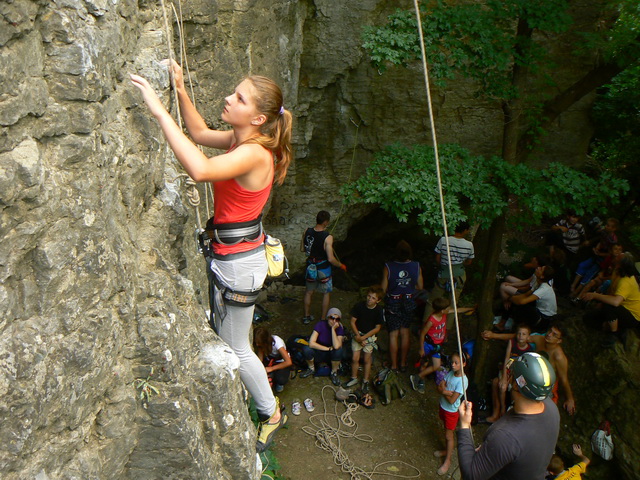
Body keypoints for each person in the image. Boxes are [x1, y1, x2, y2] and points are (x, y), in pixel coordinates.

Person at [130, 60, 293, 453]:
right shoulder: (243, 140)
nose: (227, 98)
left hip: (239, 264)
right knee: (230, 339)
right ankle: (266, 406)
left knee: (237, 348)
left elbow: (201, 170)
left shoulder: (255, 153)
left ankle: (270, 412)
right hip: (235, 257)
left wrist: (158, 109)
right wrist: (181, 91)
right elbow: (200, 133)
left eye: (238, 98)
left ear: (256, 117)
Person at [457, 352, 560, 480]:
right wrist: (494, 451)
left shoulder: (506, 437)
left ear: (516, 384)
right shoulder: (551, 408)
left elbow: (470, 475)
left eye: (511, 374)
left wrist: (464, 425)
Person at [482, 321, 576, 415]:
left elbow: (564, 379)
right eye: (550, 331)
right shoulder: (539, 339)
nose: (549, 335)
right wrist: (493, 335)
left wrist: (570, 399)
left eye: (554, 334)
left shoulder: (559, 357)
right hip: (530, 375)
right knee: (505, 384)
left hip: (544, 386)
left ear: (559, 340)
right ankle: (503, 412)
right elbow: (520, 338)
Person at [410, 297, 474, 393]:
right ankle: (420, 381)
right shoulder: (432, 320)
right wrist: (421, 348)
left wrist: (470, 308)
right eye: (447, 308)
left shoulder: (444, 313)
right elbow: (422, 334)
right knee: (424, 363)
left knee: (436, 365)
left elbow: (457, 310)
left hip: (437, 346)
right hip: (428, 345)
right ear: (442, 310)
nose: (449, 309)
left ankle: (417, 377)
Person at [381, 240, 424, 372]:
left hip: (393, 301)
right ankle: (403, 363)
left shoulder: (388, 266)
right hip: (409, 301)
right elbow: (421, 287)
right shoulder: (416, 266)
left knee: (393, 334)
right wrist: (409, 288)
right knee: (405, 332)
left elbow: (383, 288)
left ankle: (393, 365)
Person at [582, 252, 640, 345]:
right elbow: (612, 290)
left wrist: (595, 295)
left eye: (618, 257)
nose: (616, 256)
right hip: (620, 309)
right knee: (588, 318)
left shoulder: (626, 281)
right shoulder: (617, 271)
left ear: (621, 264)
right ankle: (617, 327)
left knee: (609, 305)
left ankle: (614, 334)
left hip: (632, 316)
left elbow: (616, 302)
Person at [301, 211, 347, 324]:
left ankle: (306, 316)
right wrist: (341, 265)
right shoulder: (328, 237)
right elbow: (331, 258)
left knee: (309, 292)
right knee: (326, 293)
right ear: (326, 222)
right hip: (323, 269)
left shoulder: (307, 231)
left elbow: (303, 249)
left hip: (310, 267)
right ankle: (322, 318)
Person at [426, 221, 475, 322]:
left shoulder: (443, 240)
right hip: (459, 273)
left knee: (432, 300)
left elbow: (438, 258)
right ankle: (447, 330)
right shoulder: (469, 245)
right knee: (453, 303)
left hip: (444, 271)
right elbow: (469, 261)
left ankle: (425, 324)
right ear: (465, 230)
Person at [486, 323, 534, 423]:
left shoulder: (529, 349)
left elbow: (526, 368)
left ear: (528, 337)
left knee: (516, 390)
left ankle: (509, 415)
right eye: (519, 333)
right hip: (508, 369)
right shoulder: (512, 343)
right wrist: (504, 377)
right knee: (500, 385)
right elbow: (507, 360)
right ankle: (500, 411)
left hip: (519, 374)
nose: (521, 336)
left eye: (524, 334)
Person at [343, 286, 385, 393]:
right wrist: (358, 336)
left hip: (368, 338)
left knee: (367, 359)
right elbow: (352, 321)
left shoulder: (379, 311)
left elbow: (377, 328)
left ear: (378, 301)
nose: (369, 299)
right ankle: (354, 378)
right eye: (368, 296)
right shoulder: (359, 306)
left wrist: (363, 338)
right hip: (358, 334)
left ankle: (365, 380)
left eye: (373, 298)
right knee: (355, 358)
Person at [435, 352, 469, 476]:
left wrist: (443, 391)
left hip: (451, 411)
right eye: (452, 362)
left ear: (463, 364)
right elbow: (439, 386)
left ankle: (448, 460)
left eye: (456, 363)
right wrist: (444, 391)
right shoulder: (450, 373)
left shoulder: (462, 381)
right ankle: (446, 451)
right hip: (443, 407)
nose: (453, 365)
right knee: (446, 432)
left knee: (449, 436)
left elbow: (452, 400)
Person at [299, 308, 346, 386]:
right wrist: (328, 349)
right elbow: (311, 343)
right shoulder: (320, 324)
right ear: (328, 317)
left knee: (339, 350)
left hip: (331, 355)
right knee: (306, 349)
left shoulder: (339, 328)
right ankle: (311, 368)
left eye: (337, 319)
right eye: (332, 318)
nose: (334, 321)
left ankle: (334, 372)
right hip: (319, 351)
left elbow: (337, 346)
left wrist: (333, 330)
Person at [509, 265, 557, 332]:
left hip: (544, 318)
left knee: (522, 307)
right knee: (517, 302)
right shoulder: (538, 282)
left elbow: (522, 301)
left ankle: (516, 329)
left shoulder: (544, 289)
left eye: (540, 269)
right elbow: (526, 295)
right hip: (539, 310)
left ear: (542, 276)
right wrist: (512, 298)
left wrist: (511, 299)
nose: (538, 267)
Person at [253, 326, 293, 393]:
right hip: (270, 359)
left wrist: (272, 368)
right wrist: (259, 368)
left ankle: (280, 380)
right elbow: (260, 355)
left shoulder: (277, 343)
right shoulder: (261, 344)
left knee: (281, 379)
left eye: (259, 343)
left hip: (281, 361)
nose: (257, 344)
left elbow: (288, 362)